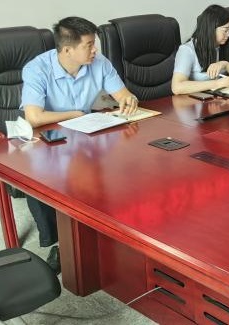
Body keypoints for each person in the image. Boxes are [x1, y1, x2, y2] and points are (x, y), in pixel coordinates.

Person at [21, 16, 140, 273]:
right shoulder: (37, 69)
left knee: (123, 169)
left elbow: (122, 94)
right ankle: (60, 244)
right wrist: (75, 114)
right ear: (67, 50)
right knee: (47, 182)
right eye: (89, 45)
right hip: (51, 144)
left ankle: (110, 235)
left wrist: (128, 98)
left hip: (88, 136)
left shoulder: (100, 62)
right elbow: (34, 117)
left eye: (94, 43)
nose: (95, 50)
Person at [172, 5, 229, 95]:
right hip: (197, 100)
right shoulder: (187, 50)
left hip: (221, 98)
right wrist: (217, 84)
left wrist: (225, 64)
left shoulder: (225, 45)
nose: (228, 35)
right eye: (225, 30)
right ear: (211, 28)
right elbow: (177, 87)